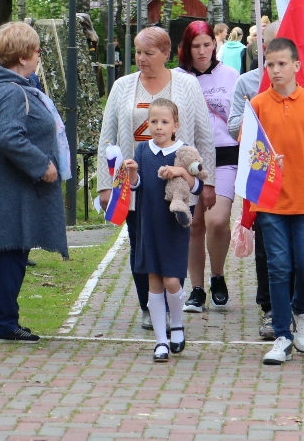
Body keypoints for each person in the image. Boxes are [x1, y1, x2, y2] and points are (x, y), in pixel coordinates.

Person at [98, 26, 216, 332]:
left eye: (148, 53)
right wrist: (104, 185)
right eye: (138, 52)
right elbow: (106, 137)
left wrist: (208, 181)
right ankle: (149, 306)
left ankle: (172, 299)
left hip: (176, 185)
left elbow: (204, 136)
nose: (141, 59)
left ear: (166, 53)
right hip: (135, 184)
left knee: (175, 242)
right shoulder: (123, 86)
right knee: (140, 245)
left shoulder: (186, 85)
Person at [0, 22, 69, 342]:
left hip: (7, 186)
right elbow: (8, 136)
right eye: (38, 50)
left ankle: (4, 319)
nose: (40, 56)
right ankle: (2, 322)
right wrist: (42, 166)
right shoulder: (10, 90)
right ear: (25, 55)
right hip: (9, 188)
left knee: (13, 254)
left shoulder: (0, 82)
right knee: (11, 254)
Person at [252, 37, 304, 366]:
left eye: (281, 64)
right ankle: (281, 335)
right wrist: (267, 163)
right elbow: (252, 155)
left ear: (296, 66)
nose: (275, 70)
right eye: (270, 64)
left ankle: (301, 311)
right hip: (270, 201)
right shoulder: (258, 105)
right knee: (278, 267)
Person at [126, 98, 205, 361]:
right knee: (154, 284)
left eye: (164, 122)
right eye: (154, 121)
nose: (158, 127)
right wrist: (133, 174)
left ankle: (178, 324)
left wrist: (181, 172)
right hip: (148, 224)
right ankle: (160, 341)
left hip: (174, 225)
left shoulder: (184, 152)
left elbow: (197, 188)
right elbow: (136, 187)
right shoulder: (142, 151)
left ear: (175, 125)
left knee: (172, 280)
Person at [176, 21, 239, 312]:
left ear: (215, 45)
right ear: (186, 48)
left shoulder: (231, 75)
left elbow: (241, 117)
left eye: (207, 44)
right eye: (195, 46)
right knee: (194, 225)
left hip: (225, 155)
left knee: (217, 220)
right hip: (188, 159)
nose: (202, 51)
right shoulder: (176, 78)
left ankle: (218, 276)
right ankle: (197, 288)